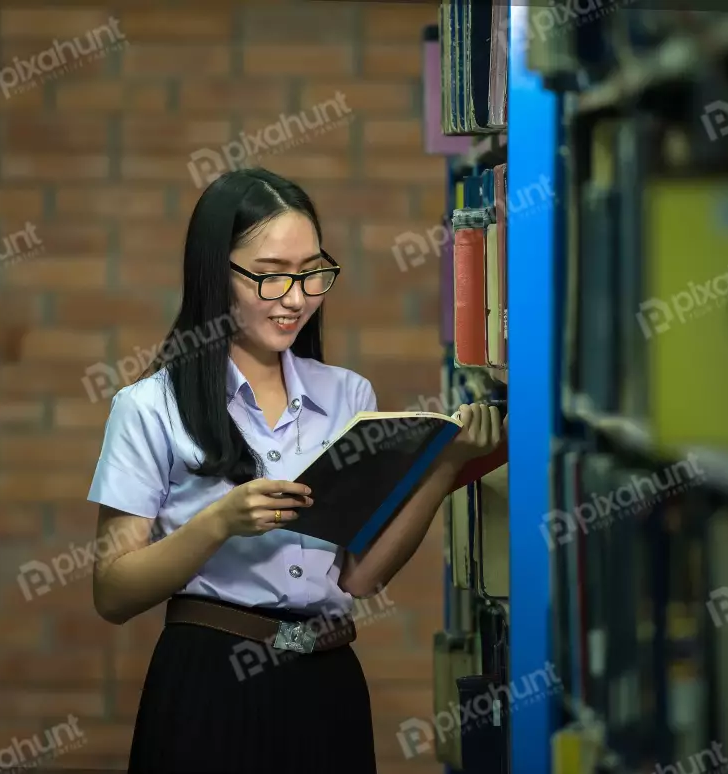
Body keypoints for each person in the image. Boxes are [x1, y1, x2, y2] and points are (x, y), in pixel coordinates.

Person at [88, 168, 504, 774]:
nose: (296, 297)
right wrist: (219, 522)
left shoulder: (348, 398)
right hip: (210, 680)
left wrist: (443, 469)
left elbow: (361, 579)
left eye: (313, 273)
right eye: (271, 274)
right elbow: (113, 592)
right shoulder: (149, 407)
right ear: (215, 274)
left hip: (327, 680)